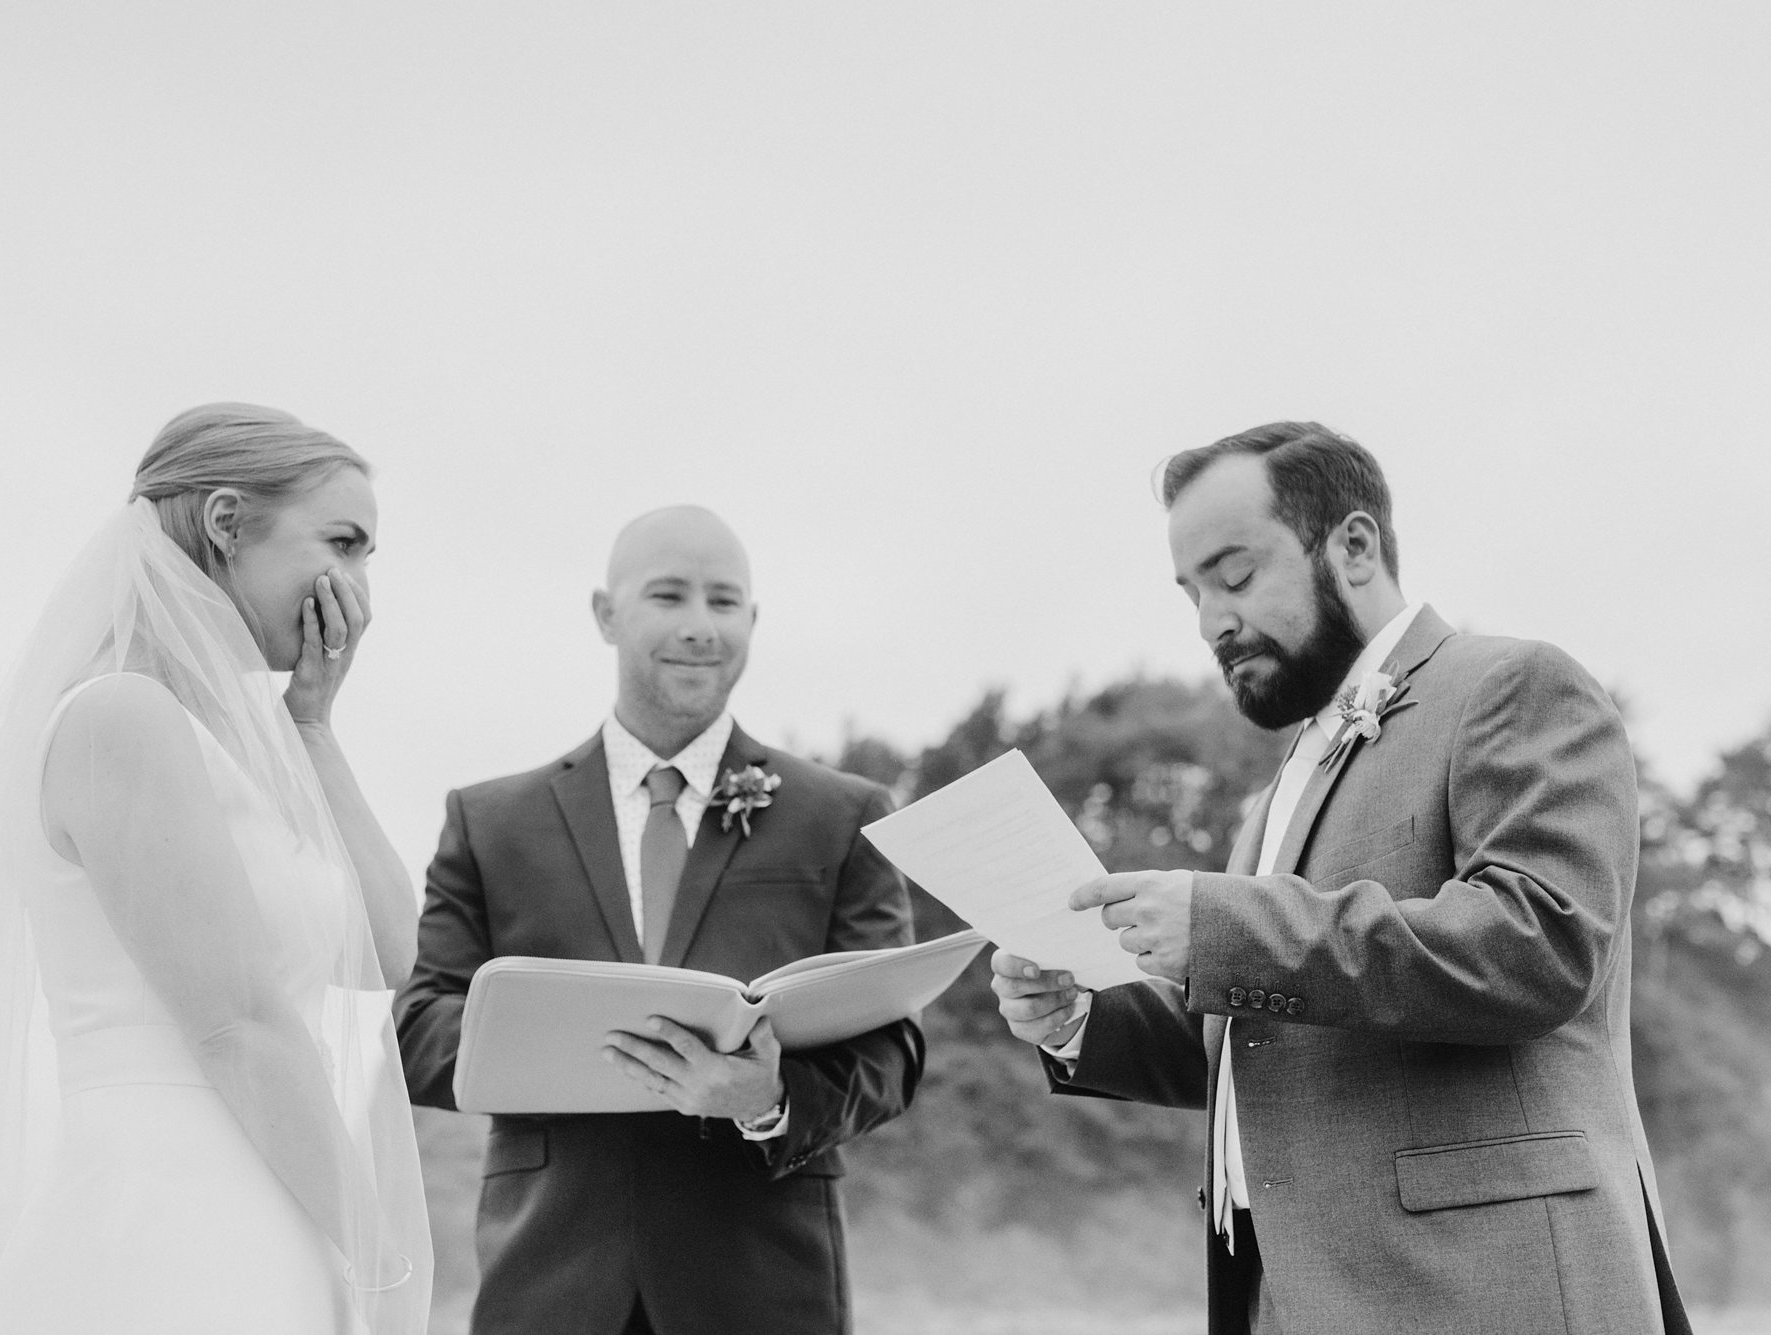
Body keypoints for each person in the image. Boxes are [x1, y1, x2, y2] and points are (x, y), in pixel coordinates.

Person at [990, 422, 1691, 1334]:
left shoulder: (1514, 684)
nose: (1212, 622)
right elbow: (1257, 1041)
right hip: (1286, 1296)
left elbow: (1540, 945)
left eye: (1235, 576)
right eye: (1192, 593)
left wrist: (1218, 923)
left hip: (1484, 1287)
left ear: (1353, 546)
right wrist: (1080, 1018)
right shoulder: (1275, 792)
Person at [0, 404, 433, 1335]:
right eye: (343, 541)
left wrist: (314, 728)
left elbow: (389, 949)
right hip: (171, 1224)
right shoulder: (117, 716)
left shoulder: (241, 748)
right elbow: (236, 1024)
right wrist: (384, 1258)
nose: (360, 586)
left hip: (275, 1203)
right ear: (224, 522)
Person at [394, 505, 922, 1335]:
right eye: (669, 596)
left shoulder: (842, 813)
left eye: (724, 601)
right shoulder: (490, 821)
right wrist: (561, 1041)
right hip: (549, 1282)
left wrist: (771, 1095)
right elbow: (421, 1025)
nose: (700, 627)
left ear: (753, 618)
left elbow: (894, 1048)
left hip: (764, 1285)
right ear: (606, 613)